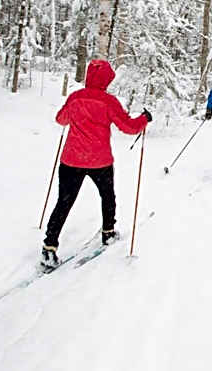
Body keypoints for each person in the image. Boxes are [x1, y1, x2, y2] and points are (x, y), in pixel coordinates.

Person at [41, 59, 151, 269]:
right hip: (99, 161)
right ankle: (108, 232)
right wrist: (144, 119)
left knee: (64, 202)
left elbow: (60, 119)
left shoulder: (75, 97)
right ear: (107, 79)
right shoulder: (109, 102)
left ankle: (49, 246)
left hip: (71, 160)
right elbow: (128, 127)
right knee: (107, 195)